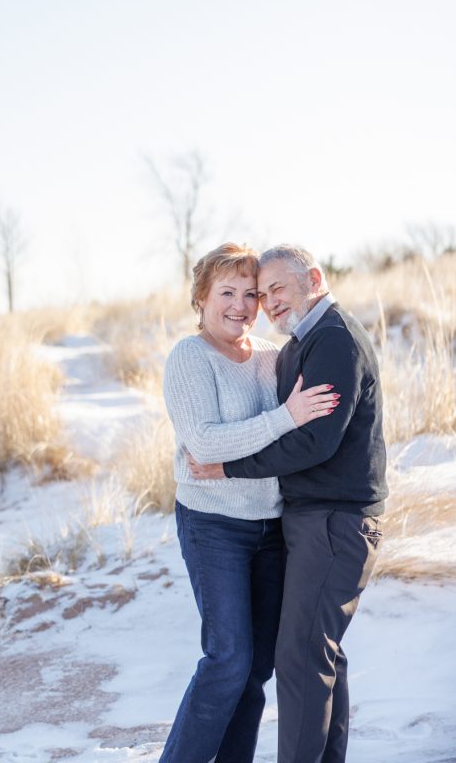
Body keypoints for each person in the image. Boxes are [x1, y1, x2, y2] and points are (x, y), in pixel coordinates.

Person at [189, 244, 388, 763]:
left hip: (333, 522)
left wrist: (228, 467)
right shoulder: (305, 340)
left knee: (300, 660)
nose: (269, 302)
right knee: (321, 657)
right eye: (263, 292)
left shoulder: (331, 339)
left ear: (314, 279)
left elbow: (314, 441)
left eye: (277, 288)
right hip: (315, 521)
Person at [159, 243, 339, 763]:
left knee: (257, 667)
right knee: (227, 659)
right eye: (227, 293)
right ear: (201, 298)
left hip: (272, 529)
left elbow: (273, 446)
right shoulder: (189, 358)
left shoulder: (269, 356)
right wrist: (288, 416)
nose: (240, 305)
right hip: (213, 526)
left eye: (251, 294)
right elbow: (206, 444)